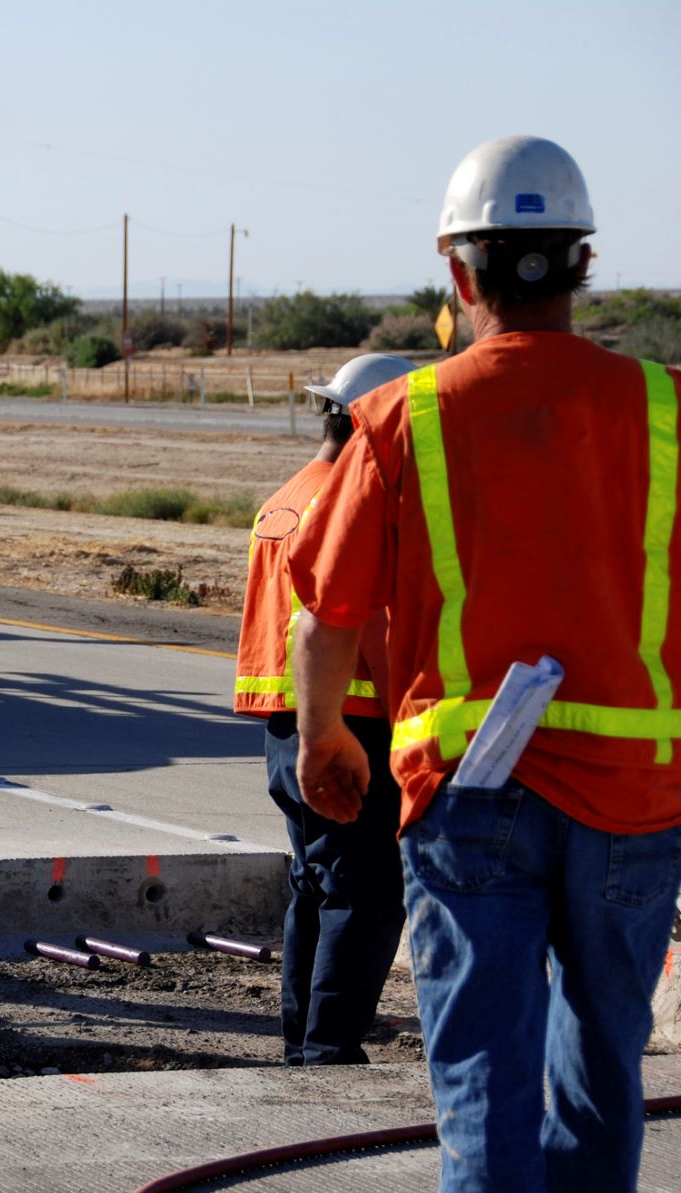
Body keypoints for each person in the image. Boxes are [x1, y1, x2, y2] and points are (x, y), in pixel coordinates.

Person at [287, 135, 681, 1193]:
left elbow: (327, 610)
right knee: (603, 1070)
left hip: (471, 798)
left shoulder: (404, 419)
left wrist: (324, 733)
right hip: (637, 805)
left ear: (459, 272)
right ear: (580, 262)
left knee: (486, 1078)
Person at [235, 353, 415, 1066]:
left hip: (289, 725)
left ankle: (304, 1044)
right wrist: (412, 719)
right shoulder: (350, 502)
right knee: (367, 892)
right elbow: (360, 624)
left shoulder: (284, 498)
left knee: (315, 884)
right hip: (353, 724)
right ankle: (330, 1050)